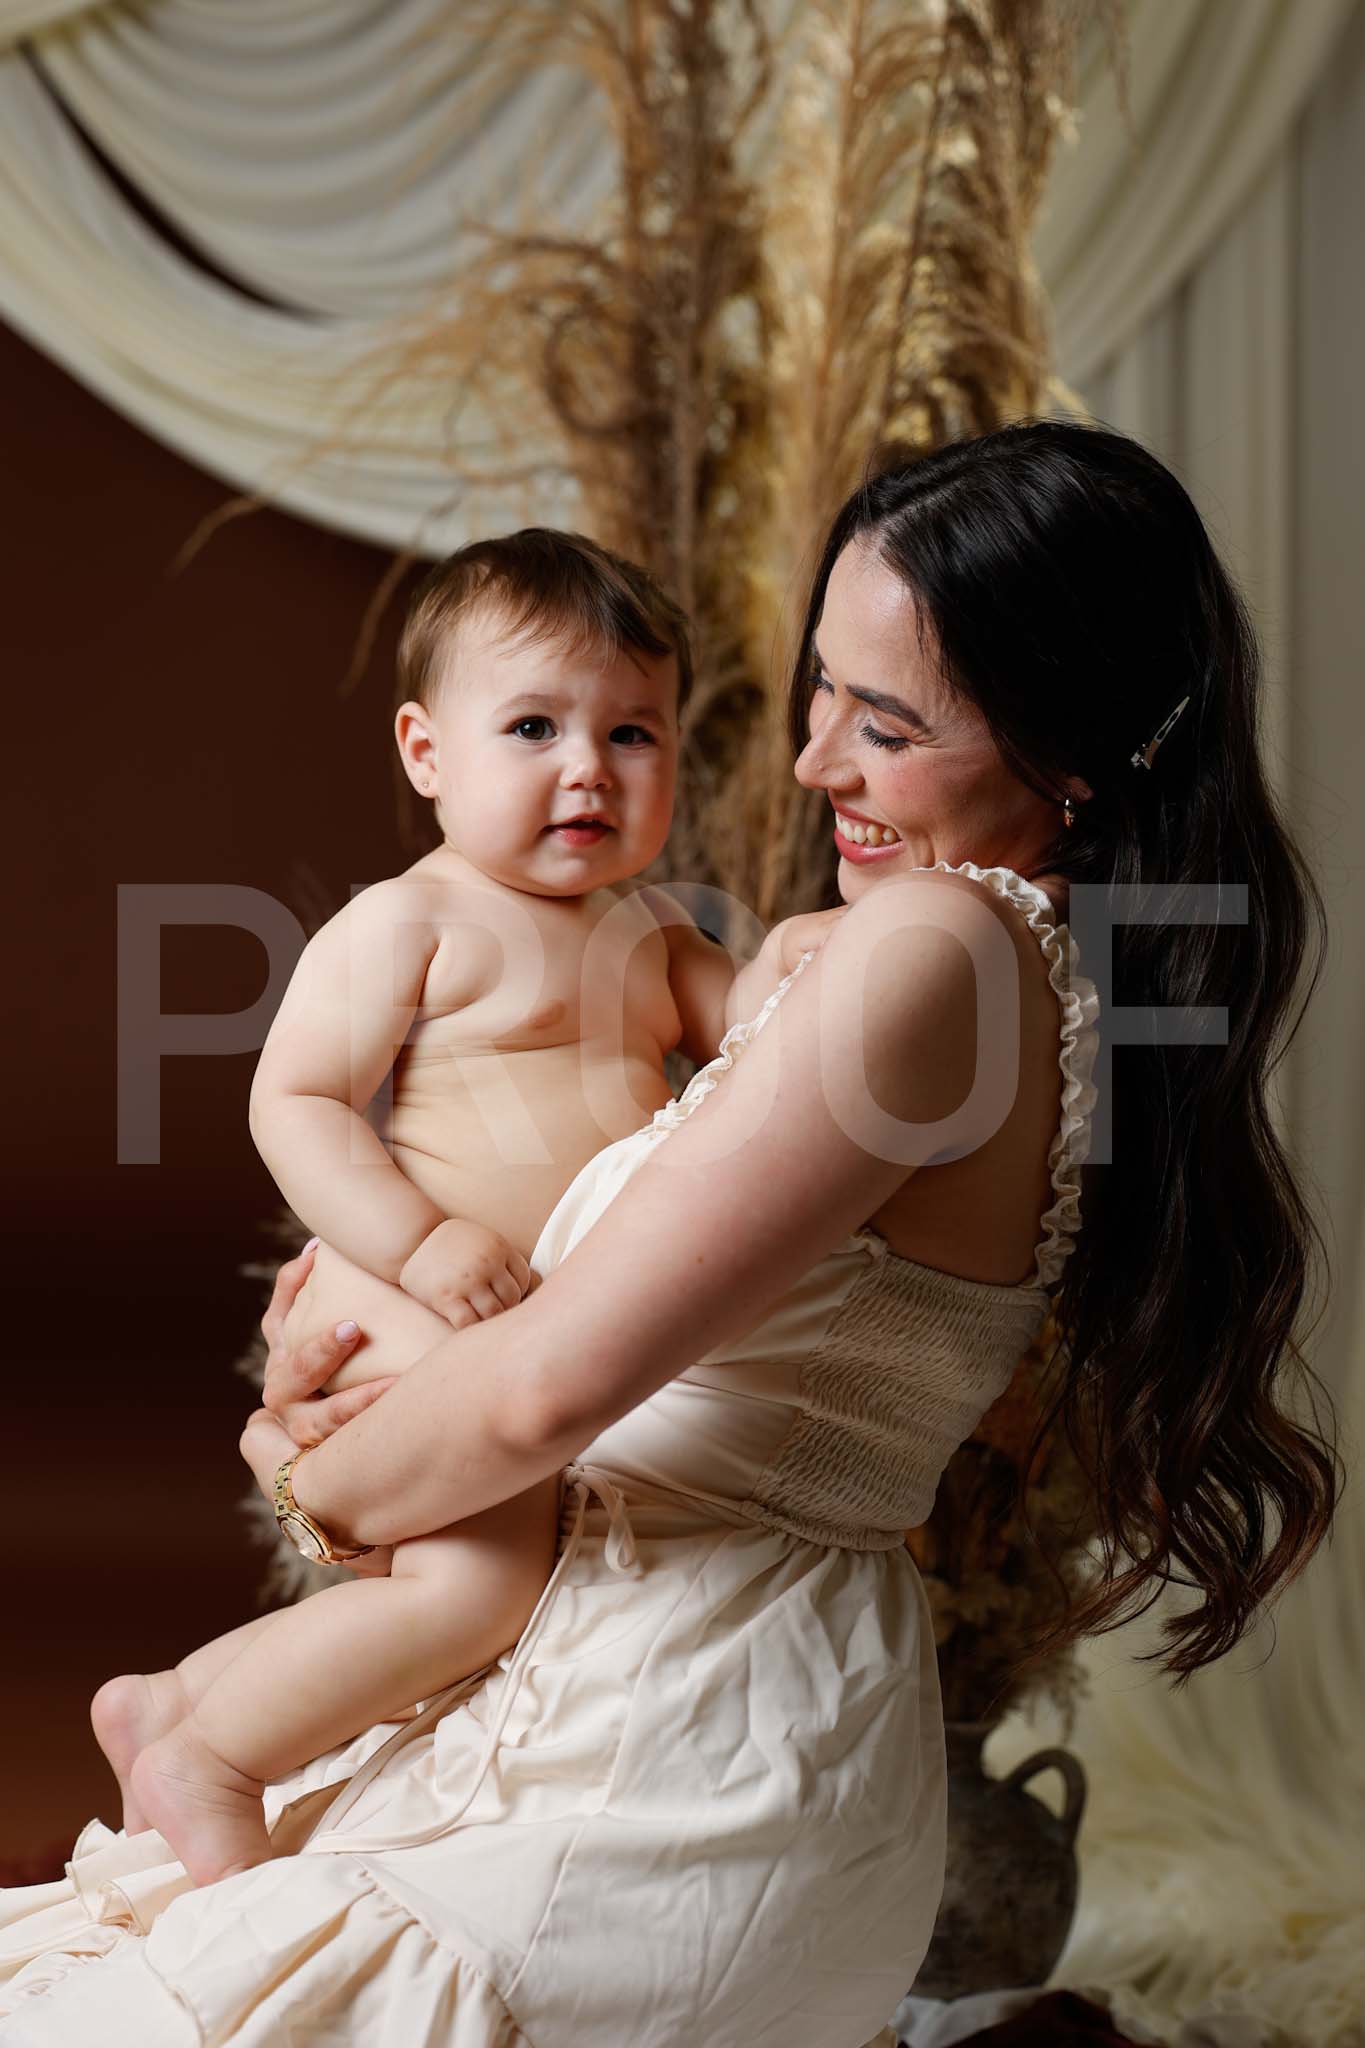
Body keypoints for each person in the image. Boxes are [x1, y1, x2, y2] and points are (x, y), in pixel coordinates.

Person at [0, 419, 1338, 2048]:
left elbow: (537, 1395)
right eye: (820, 690)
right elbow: (351, 1135)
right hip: (655, 1698)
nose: (813, 762)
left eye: (886, 722)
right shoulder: (988, 961)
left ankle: (201, 1727)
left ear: (1068, 753)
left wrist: (309, 1465)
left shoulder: (927, 949)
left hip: (676, 1753)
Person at [86, 526, 837, 1889]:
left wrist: (806, 950)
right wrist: (418, 1242)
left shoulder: (655, 931)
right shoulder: (412, 919)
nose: (587, 768)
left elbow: (762, 1038)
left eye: (632, 733)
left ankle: (173, 1700)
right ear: (427, 753)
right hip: (402, 1296)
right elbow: (296, 1100)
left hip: (523, 1333)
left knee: (472, 1588)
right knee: (477, 1590)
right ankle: (216, 1761)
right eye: (535, 727)